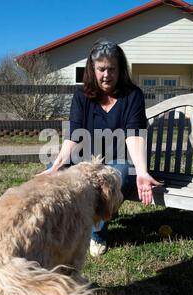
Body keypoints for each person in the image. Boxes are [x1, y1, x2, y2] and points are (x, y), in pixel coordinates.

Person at [38, 39, 162, 256]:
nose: (107, 75)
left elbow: (134, 136)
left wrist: (142, 172)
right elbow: (73, 135)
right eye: (101, 69)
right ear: (92, 69)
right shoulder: (81, 96)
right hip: (86, 157)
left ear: (120, 70)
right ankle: (63, 228)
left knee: (116, 177)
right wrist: (55, 165)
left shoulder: (133, 96)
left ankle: (96, 234)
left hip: (120, 159)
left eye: (112, 69)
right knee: (56, 173)